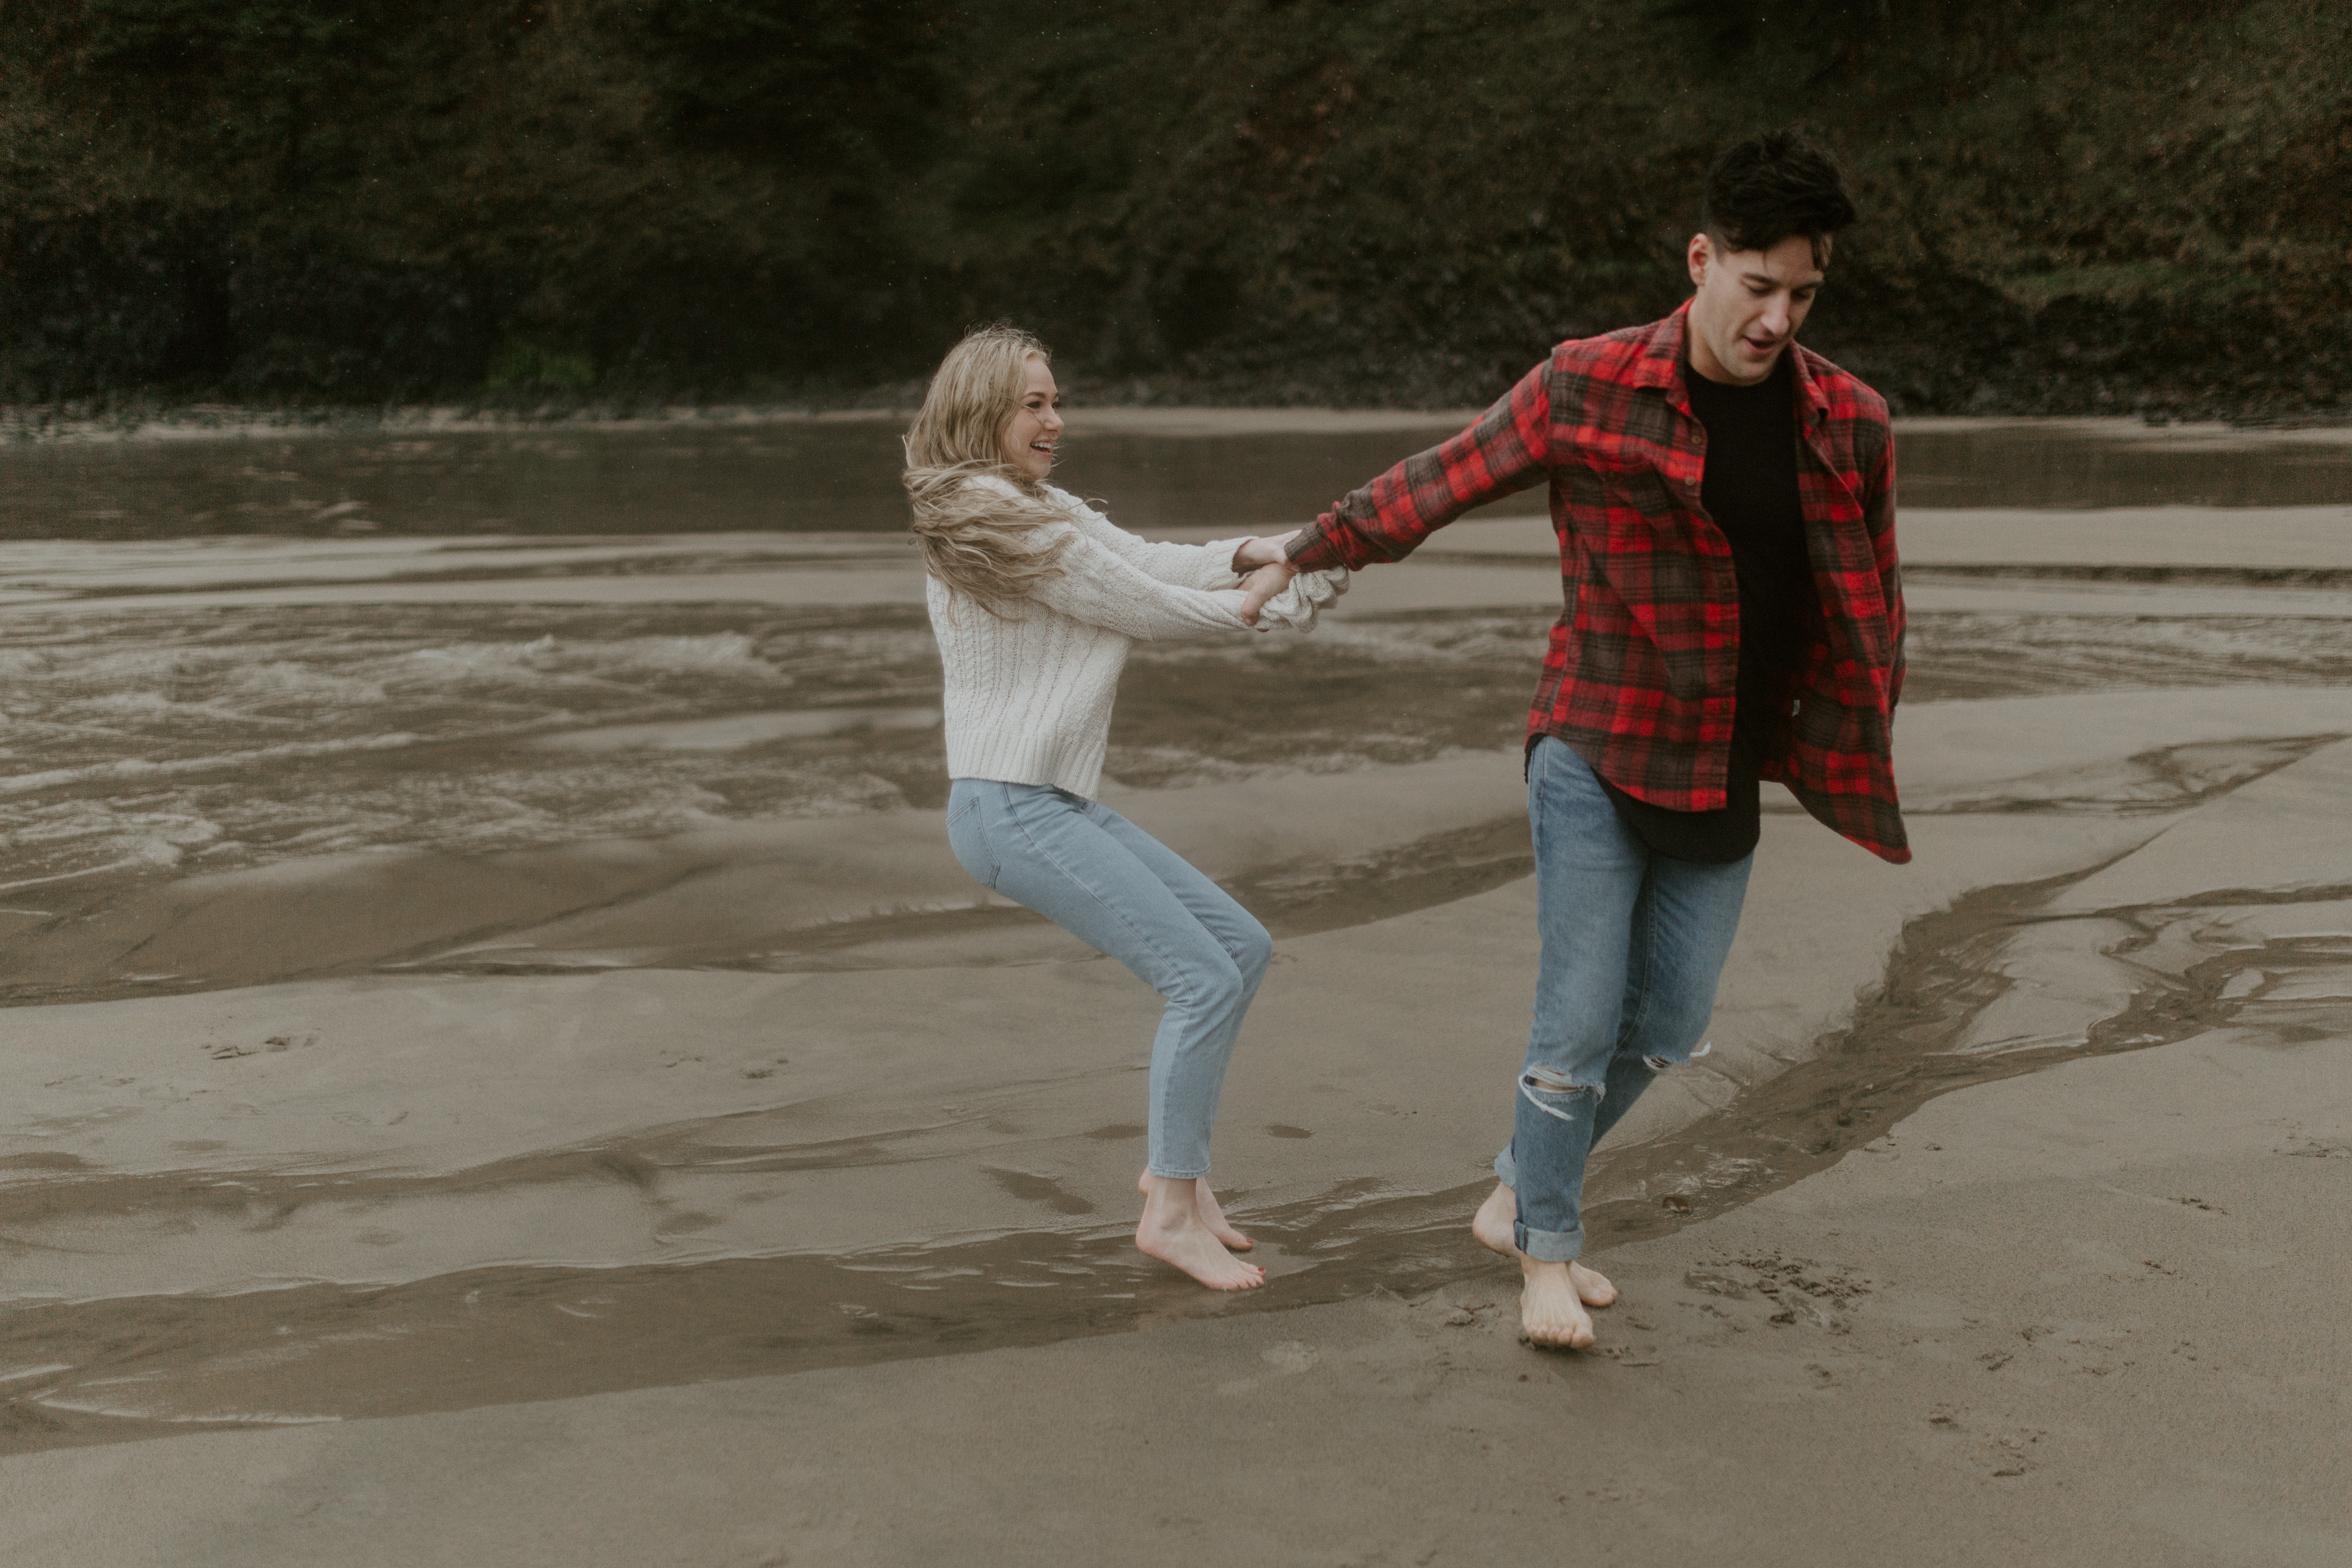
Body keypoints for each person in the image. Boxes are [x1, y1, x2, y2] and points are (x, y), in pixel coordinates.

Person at [1236, 130, 1907, 1346]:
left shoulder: (1846, 420)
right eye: (1755, 286)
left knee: (1668, 1027)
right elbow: (1440, 479)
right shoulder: (1585, 385)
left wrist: (1852, 728)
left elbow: (1873, 595)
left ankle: (1513, 1190)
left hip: (1726, 758)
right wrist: (1306, 549)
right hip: (1594, 739)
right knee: (1578, 1020)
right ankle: (1547, 1250)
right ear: (1700, 259)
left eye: (1802, 293)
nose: (1775, 318)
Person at [905, 323, 1345, 1291]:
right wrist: (1265, 597)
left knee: (1239, 949)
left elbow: (1143, 561)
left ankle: (1171, 1171)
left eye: (1056, 401)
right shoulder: (1002, 518)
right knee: (1202, 981)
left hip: (1043, 800)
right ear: (982, 410)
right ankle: (1170, 1211)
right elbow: (1142, 606)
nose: (1056, 420)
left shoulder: (1029, 503)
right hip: (1013, 806)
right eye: (1035, 404)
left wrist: (1257, 552)